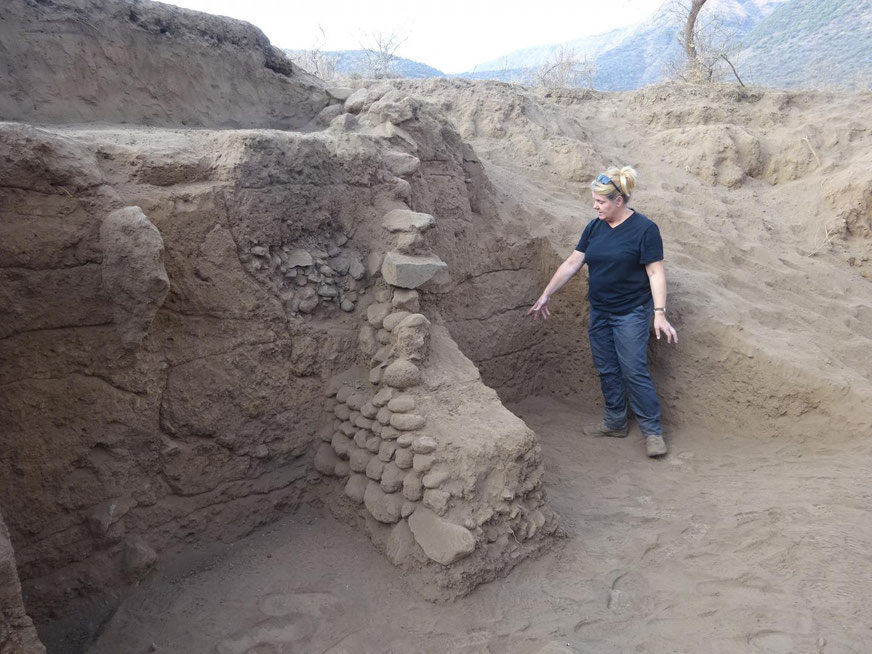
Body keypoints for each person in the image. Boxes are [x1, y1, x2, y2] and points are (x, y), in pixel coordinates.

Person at [528, 166, 677, 458]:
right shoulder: (594, 226)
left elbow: (655, 272)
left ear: (619, 201)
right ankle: (615, 422)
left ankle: (652, 431)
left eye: (601, 201)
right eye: (595, 200)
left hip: (631, 312)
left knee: (633, 369)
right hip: (600, 311)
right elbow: (572, 263)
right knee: (607, 367)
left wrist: (659, 313)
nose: (595, 206)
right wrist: (546, 294)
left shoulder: (645, 229)